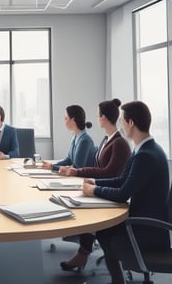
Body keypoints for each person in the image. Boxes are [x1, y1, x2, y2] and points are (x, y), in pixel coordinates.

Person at [82, 100, 170, 284]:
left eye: (122, 120)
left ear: (131, 123)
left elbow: (123, 193)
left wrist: (94, 190)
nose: (120, 125)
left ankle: (117, 281)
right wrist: (95, 182)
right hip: (148, 221)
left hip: (148, 229)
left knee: (105, 233)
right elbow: (123, 180)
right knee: (104, 230)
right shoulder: (146, 149)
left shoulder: (145, 155)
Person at [58, 98, 132, 271]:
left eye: (98, 115)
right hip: (105, 187)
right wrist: (84, 175)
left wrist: (80, 173)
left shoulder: (119, 143)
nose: (96, 119)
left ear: (104, 118)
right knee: (79, 200)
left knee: (83, 206)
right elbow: (99, 167)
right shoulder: (107, 140)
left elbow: (109, 173)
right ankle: (83, 253)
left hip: (113, 194)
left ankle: (83, 254)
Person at [42, 104, 96, 171]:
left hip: (84, 178)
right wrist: (52, 165)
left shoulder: (85, 140)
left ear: (73, 120)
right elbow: (69, 159)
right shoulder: (75, 136)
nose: (64, 121)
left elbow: (76, 167)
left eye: (66, 118)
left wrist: (53, 167)